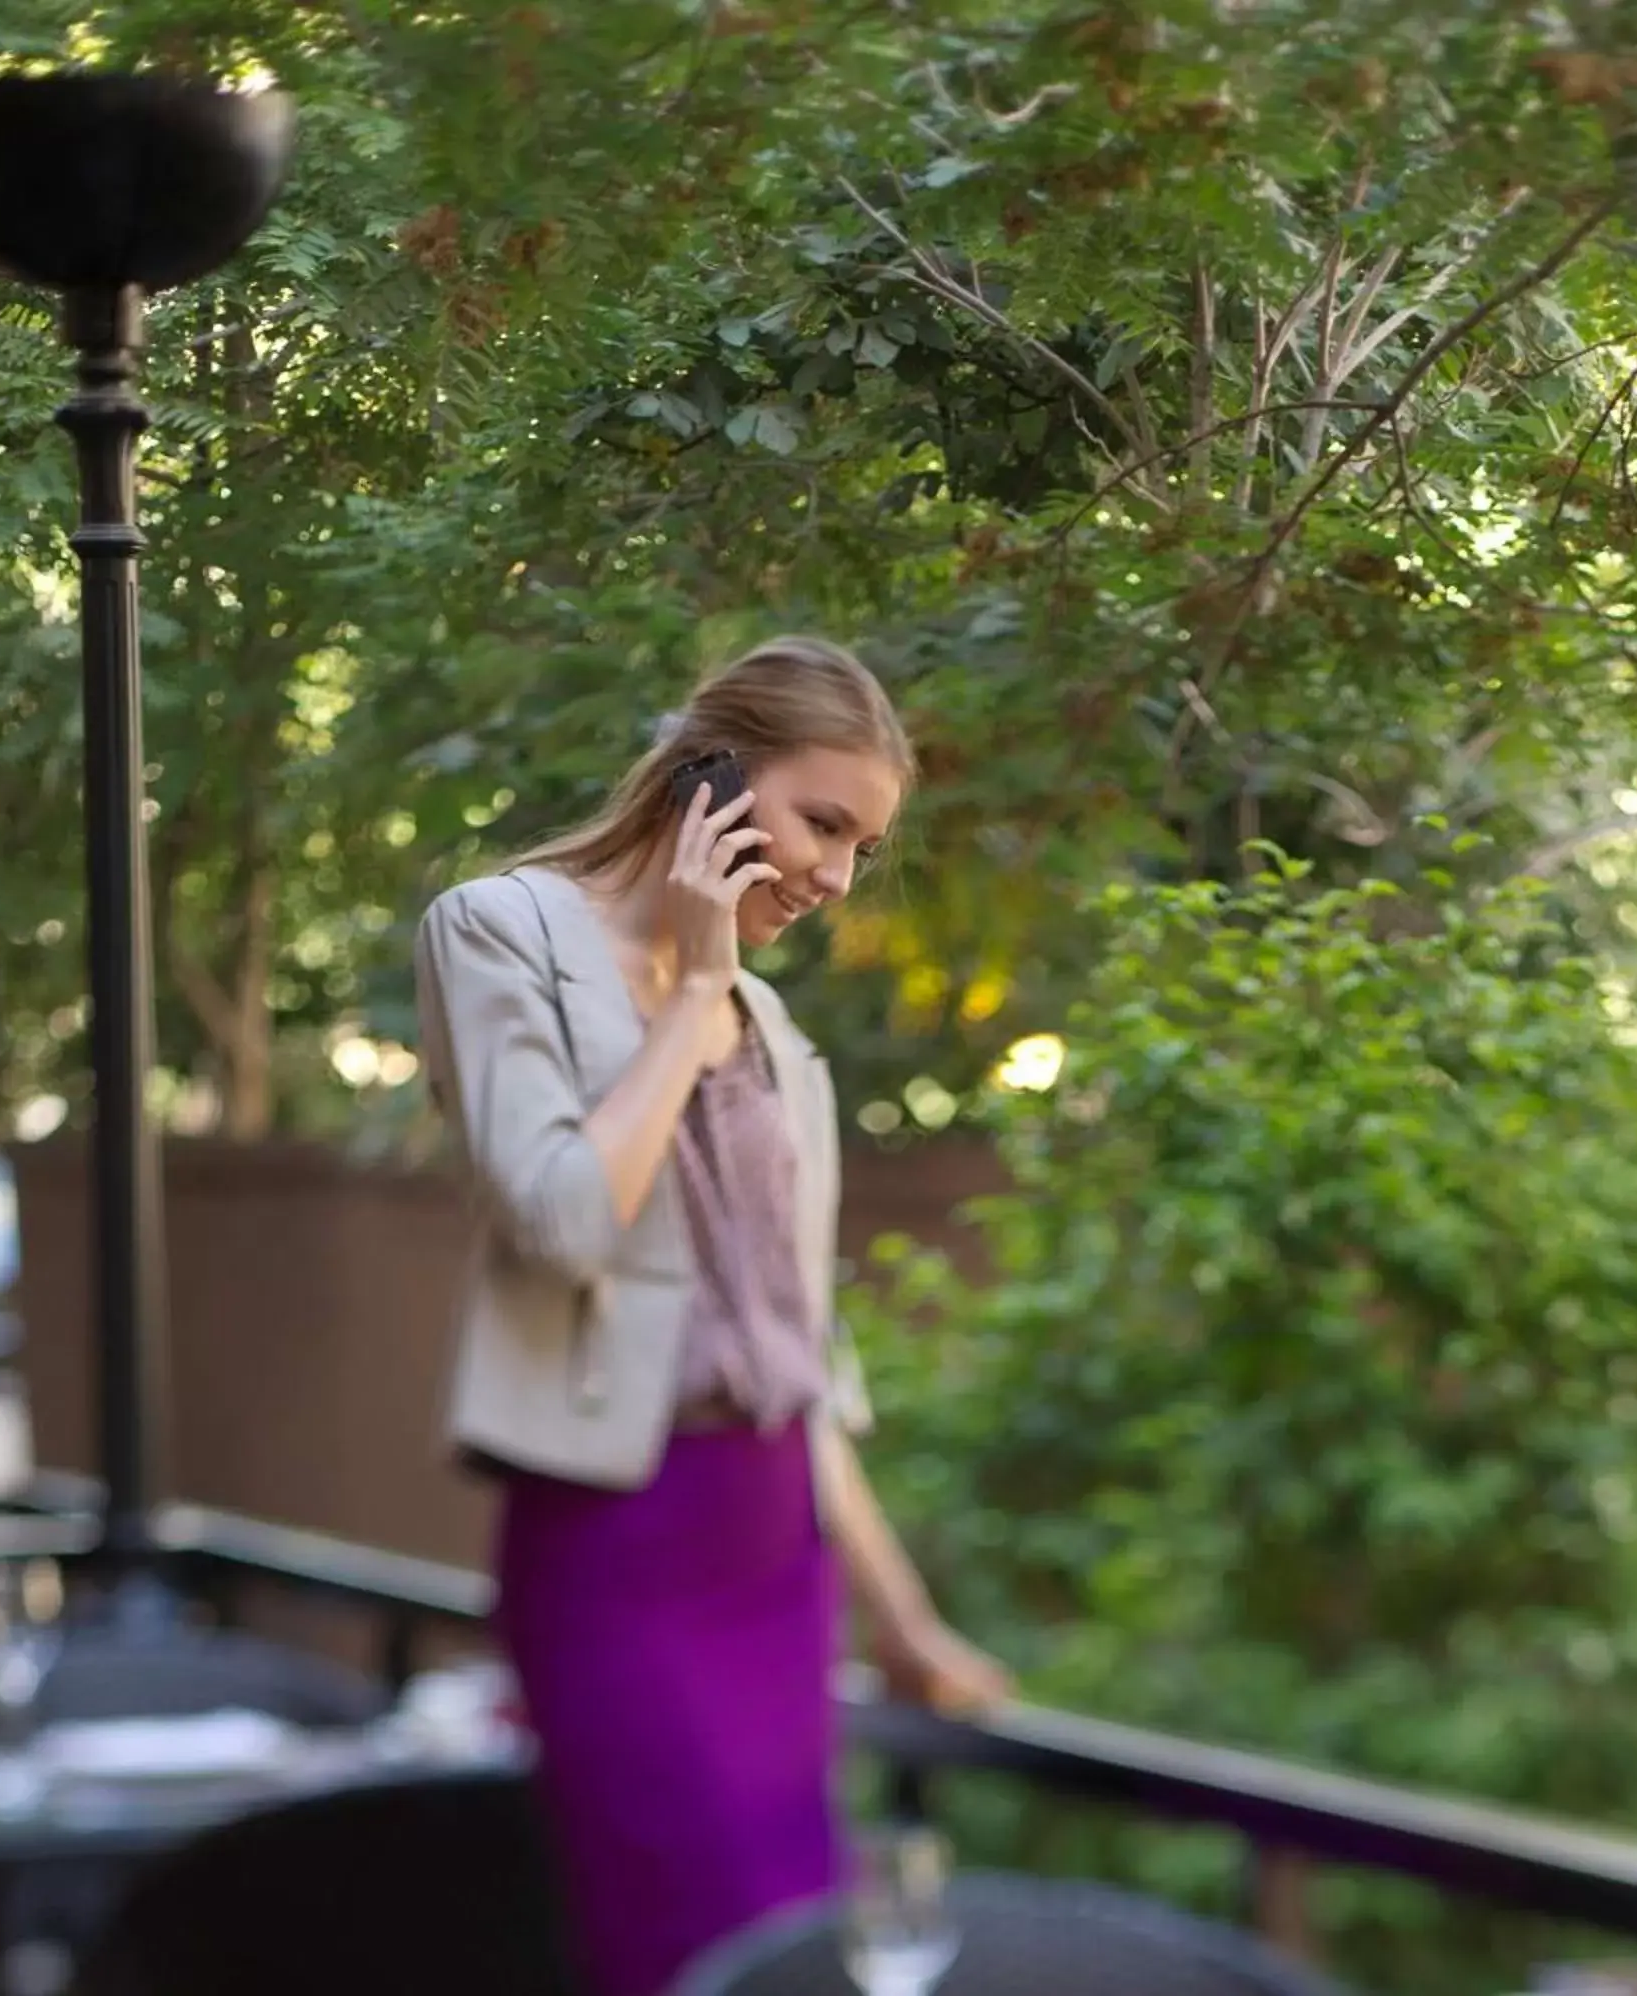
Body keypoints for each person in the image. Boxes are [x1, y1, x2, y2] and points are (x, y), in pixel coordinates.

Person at [412, 635, 1011, 1996]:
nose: (836, 878)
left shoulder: (778, 1032)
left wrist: (903, 1623)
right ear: (713, 778)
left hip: (775, 1563)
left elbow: (800, 1360)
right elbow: (563, 1223)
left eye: (864, 847)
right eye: (824, 824)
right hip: (619, 1544)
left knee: (805, 1954)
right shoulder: (500, 930)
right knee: (682, 1948)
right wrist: (687, 995)